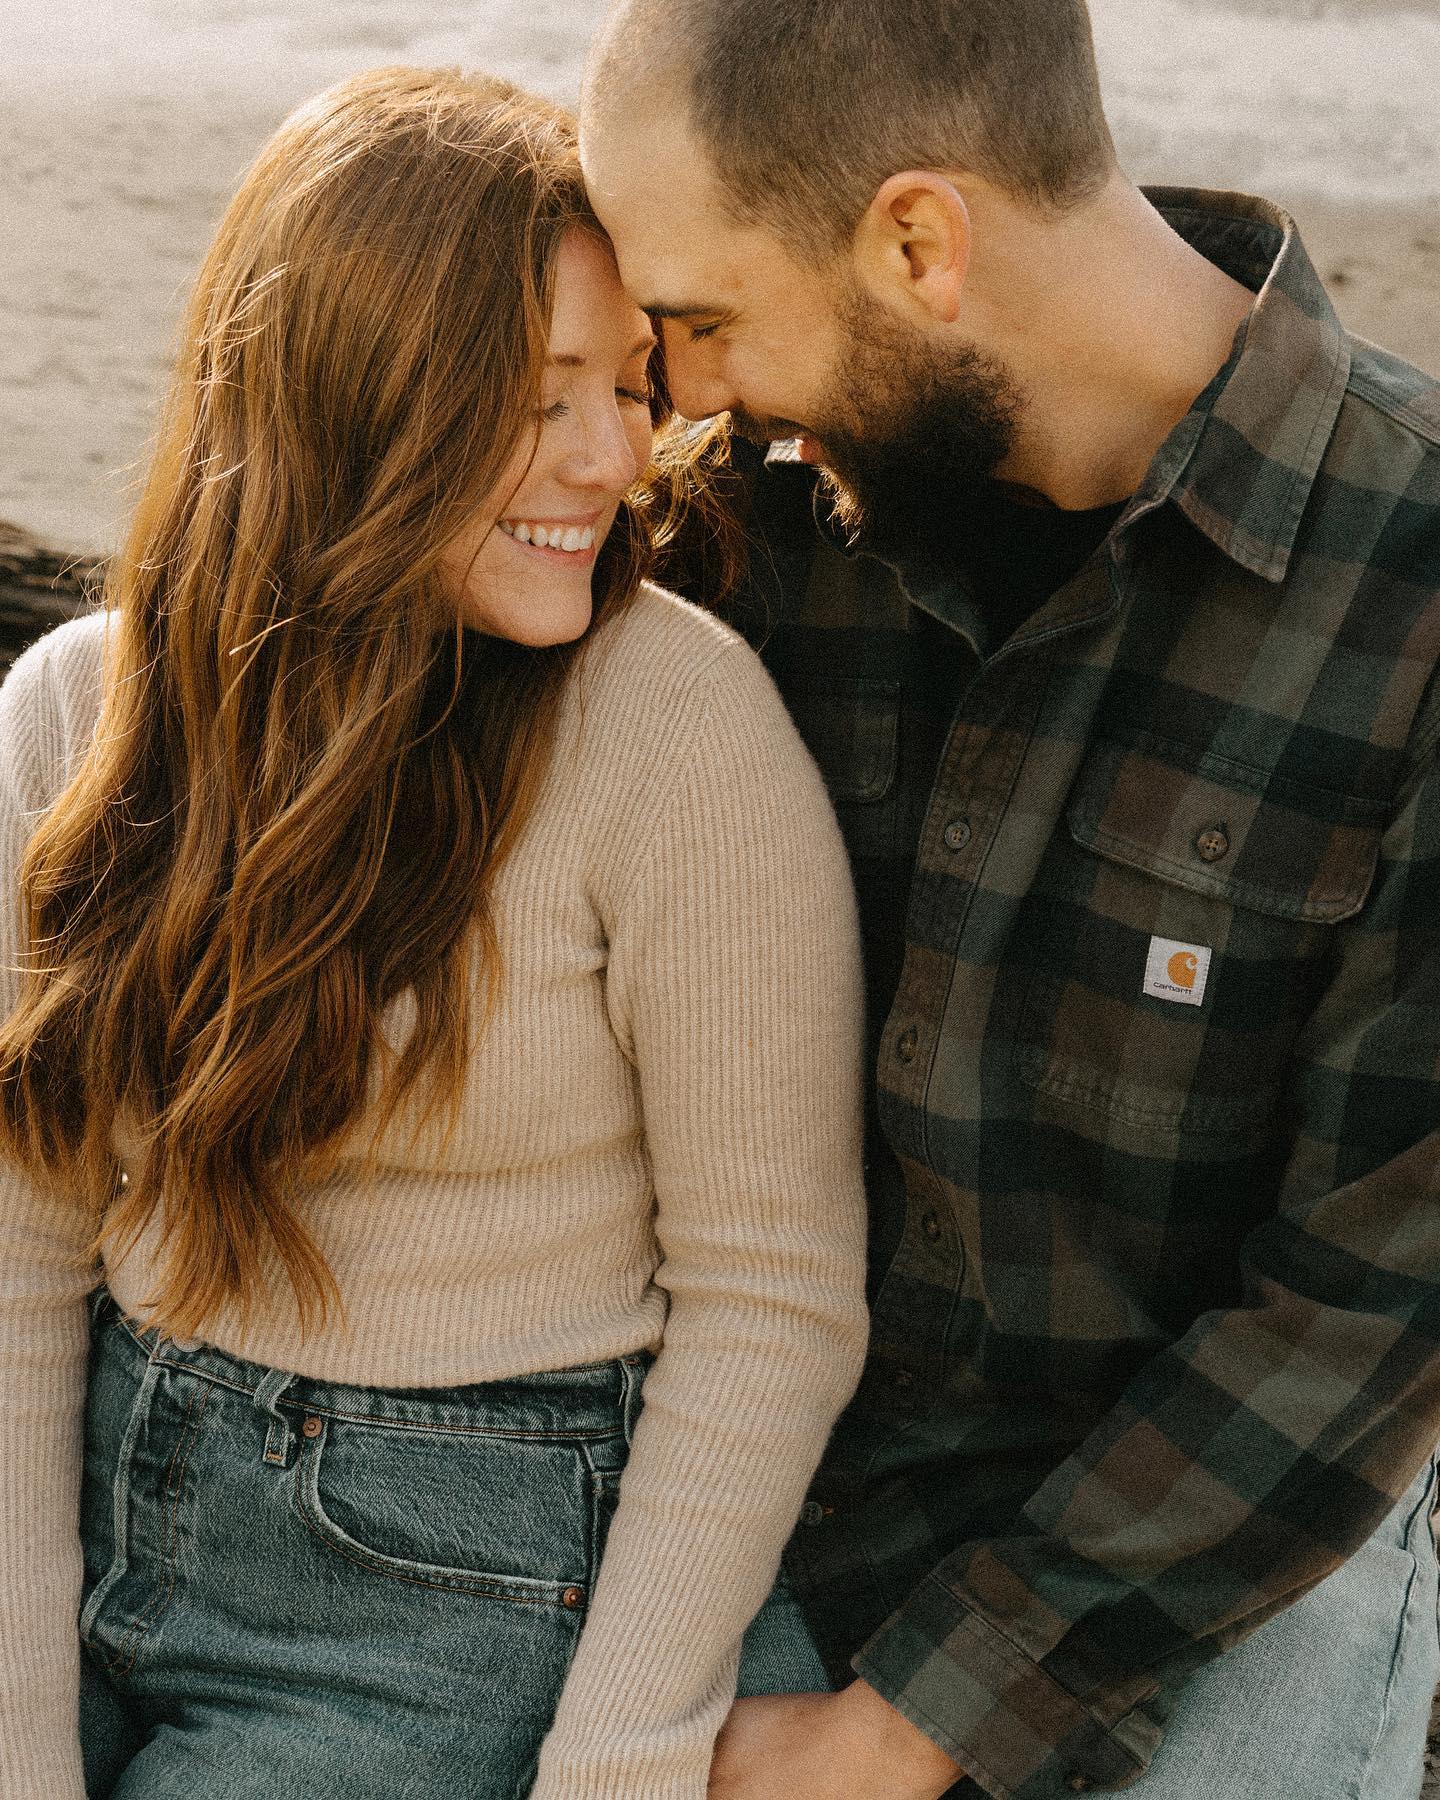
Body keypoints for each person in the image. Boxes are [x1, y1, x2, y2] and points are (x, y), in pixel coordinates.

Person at [578, 2, 1440, 1797]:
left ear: (918, 241)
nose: (698, 392)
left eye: (712, 320)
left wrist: (905, 1735)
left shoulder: (1417, 590)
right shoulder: (750, 521)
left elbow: (1378, 1294)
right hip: (759, 1466)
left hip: (1218, 1532)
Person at [0, 65, 870, 1800]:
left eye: (629, 391)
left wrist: (617, 1761)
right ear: (354, 393)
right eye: (542, 399)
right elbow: (20, 1260)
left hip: (486, 1586)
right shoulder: (76, 715)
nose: (621, 463)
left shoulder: (676, 735)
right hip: (112, 1498)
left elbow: (774, 1300)